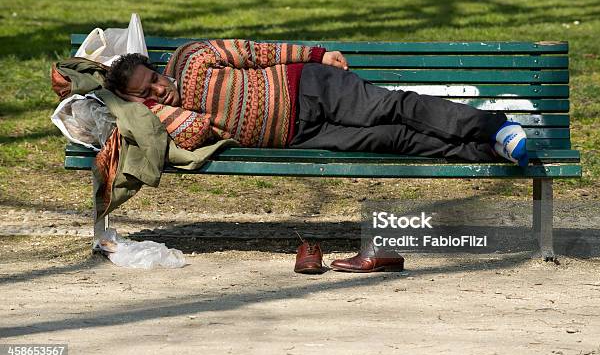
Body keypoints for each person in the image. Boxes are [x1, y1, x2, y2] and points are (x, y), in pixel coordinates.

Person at [104, 39, 528, 273]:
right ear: (134, 101)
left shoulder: (191, 58)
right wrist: (154, 110)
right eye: (146, 94)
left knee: (392, 106)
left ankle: (493, 127)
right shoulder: (169, 116)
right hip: (303, 134)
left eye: (155, 80)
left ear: (157, 67)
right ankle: (482, 148)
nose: (159, 89)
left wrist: (316, 55)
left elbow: (255, 52)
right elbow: (194, 133)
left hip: (308, 85)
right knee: (392, 138)